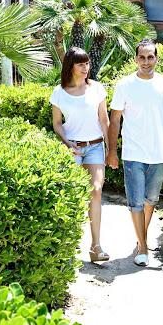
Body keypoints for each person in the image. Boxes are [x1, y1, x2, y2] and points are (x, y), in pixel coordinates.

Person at [106, 39, 163, 267]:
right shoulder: (125, 85)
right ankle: (142, 245)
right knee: (136, 202)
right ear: (136, 59)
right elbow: (115, 120)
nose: (146, 62)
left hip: (158, 154)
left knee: (151, 200)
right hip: (132, 154)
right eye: (142, 57)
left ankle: (141, 238)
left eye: (150, 57)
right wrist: (112, 151)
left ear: (156, 58)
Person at [50, 47, 110, 262]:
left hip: (95, 146)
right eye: (81, 64)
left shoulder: (97, 88)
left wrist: (111, 149)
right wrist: (67, 143)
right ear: (71, 67)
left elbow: (104, 121)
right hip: (72, 149)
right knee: (73, 196)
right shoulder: (59, 92)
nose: (86, 68)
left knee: (96, 191)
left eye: (87, 64)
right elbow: (57, 124)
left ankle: (96, 247)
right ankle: (69, 247)